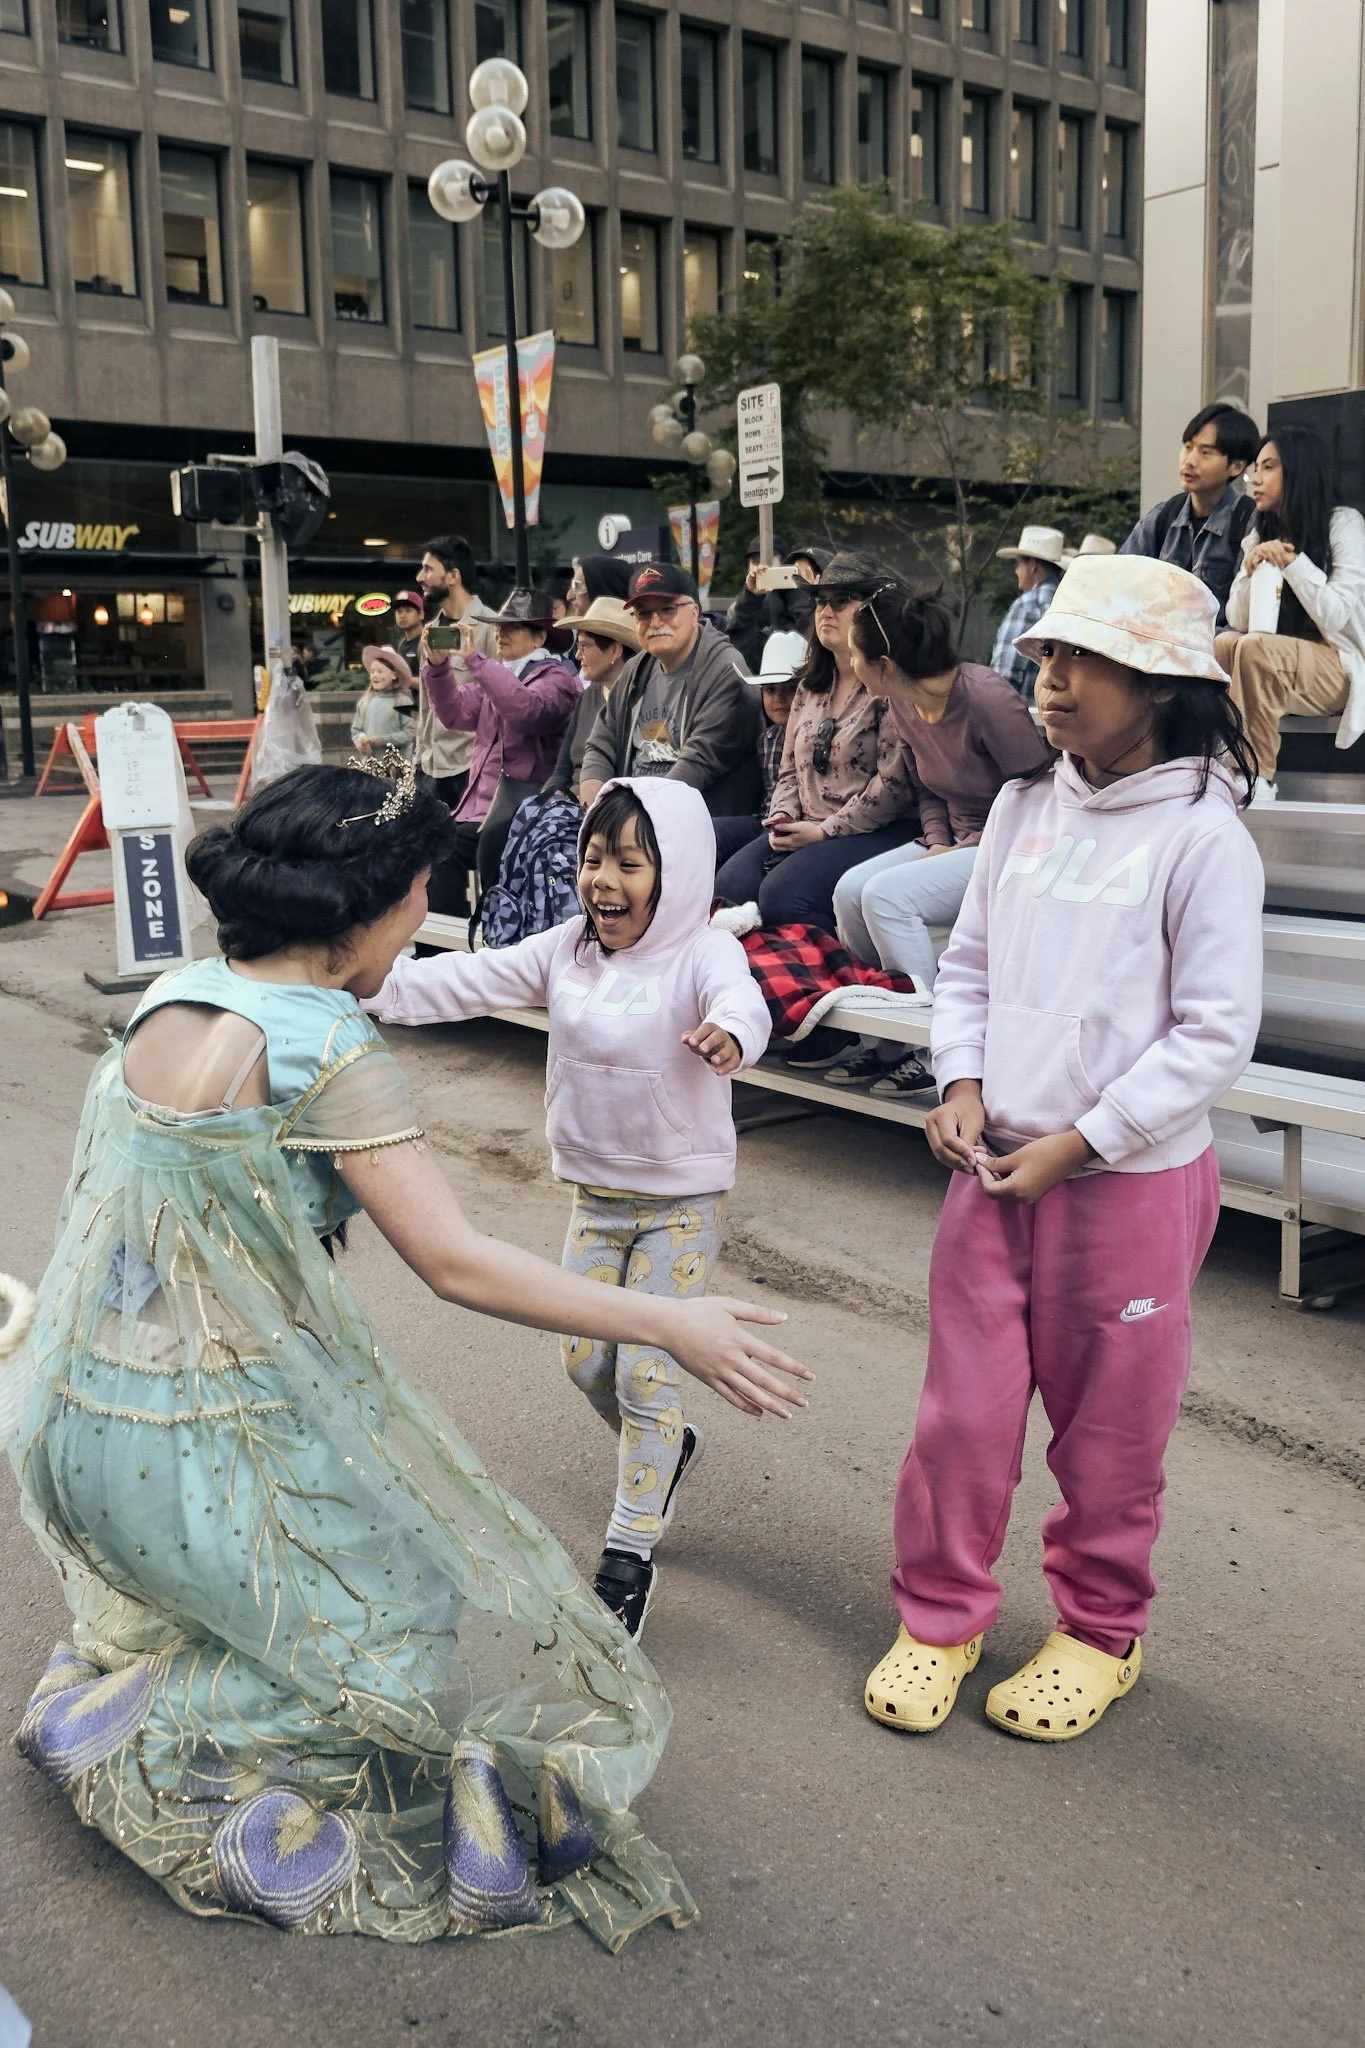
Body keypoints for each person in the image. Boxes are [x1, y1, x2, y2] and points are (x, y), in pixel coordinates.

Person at [10, 759, 809, 1947]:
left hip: (70, 1420)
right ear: (369, 907)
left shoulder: (176, 991)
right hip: (194, 1435)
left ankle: (159, 1689)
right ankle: (188, 1737)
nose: (425, 911)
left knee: (339, 1577)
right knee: (415, 1590)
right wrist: (672, 1319)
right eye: (420, 891)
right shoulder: (326, 1042)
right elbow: (458, 1262)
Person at [863, 555, 1263, 1745]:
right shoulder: (1028, 809)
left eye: (1084, 659)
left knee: (1112, 1430)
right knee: (961, 1417)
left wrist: (1082, 1142)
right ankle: (940, 1617)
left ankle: (1099, 1632)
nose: (1052, 679)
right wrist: (961, 1082)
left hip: (1128, 1184)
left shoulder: (1203, 836)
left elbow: (1214, 1035)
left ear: (1161, 682)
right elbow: (972, 967)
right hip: (994, 1170)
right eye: (1045, 654)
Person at [367, 778, 775, 1640]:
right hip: (596, 1199)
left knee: (644, 1371)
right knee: (588, 1365)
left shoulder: (703, 955)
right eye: (593, 859)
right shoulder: (567, 951)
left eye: (629, 863)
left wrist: (731, 1034)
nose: (603, 880)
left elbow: (746, 1004)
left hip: (680, 1205)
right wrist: (361, 983)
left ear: (679, 871)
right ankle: (663, 1449)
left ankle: (627, 1557)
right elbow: (462, 983)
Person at [829, 587, 1049, 1095]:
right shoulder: (903, 704)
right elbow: (926, 786)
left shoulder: (986, 697)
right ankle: (888, 1039)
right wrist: (935, 842)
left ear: (884, 664)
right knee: (848, 890)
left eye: (857, 655)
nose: (852, 663)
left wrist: (972, 846)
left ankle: (938, 1048)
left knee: (887, 896)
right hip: (955, 841)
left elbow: (1038, 797)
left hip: (1013, 846)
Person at [712, 552, 919, 1071]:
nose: (826, 611)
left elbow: (894, 784)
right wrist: (781, 819)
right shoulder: (809, 684)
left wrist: (821, 832)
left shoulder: (888, 682)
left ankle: (835, 1022)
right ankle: (768, 1003)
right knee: (731, 885)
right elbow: (788, 771)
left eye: (841, 602)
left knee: (786, 894)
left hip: (879, 829)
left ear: (872, 611)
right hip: (804, 824)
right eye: (821, 601)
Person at [1215, 423, 1365, 800]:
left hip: (1340, 665)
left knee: (1253, 649)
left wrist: (1293, 563)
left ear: (1297, 470)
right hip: (1280, 662)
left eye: (1269, 468)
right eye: (1256, 469)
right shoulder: (1259, 530)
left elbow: (1339, 616)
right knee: (1224, 644)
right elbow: (1238, 619)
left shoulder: (1343, 525)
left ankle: (1257, 775)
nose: (1256, 479)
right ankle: (1219, 763)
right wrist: (1250, 571)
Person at [420, 587, 580, 899]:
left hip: (523, 815)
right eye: (498, 627)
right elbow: (453, 714)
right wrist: (438, 667)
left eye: (513, 627)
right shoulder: (498, 675)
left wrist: (476, 661)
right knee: (424, 844)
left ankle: (442, 948)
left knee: (443, 852)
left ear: (539, 638)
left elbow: (525, 711)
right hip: (480, 813)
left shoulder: (558, 680)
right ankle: (438, 946)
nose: (500, 634)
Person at [579, 563, 762, 818]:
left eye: (667, 609)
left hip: (697, 819)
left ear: (695, 612)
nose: (654, 621)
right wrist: (592, 806)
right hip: (631, 811)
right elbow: (600, 745)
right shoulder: (637, 668)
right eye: (643, 613)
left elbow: (697, 767)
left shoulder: (724, 670)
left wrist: (626, 818)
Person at [414, 535, 499, 919]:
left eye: (429, 569)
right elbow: (425, 706)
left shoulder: (487, 626)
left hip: (471, 765)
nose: (421, 577)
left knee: (463, 860)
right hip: (432, 764)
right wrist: (418, 755)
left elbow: (501, 692)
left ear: (453, 576)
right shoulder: (430, 630)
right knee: (429, 860)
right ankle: (434, 944)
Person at [1120, 402, 1261, 623]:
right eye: (1187, 447)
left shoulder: (1249, 522)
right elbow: (1120, 581)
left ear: (1236, 466)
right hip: (1156, 645)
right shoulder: (1162, 517)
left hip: (1213, 650)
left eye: (1206, 452)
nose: (1190, 460)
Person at [544, 595, 640, 801]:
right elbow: (562, 770)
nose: (578, 655)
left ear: (614, 650)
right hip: (568, 802)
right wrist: (546, 801)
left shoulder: (638, 701)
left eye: (585, 646)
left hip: (605, 807)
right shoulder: (588, 696)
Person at [725, 538, 831, 670]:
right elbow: (739, 654)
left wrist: (806, 598)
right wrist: (750, 599)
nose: (800, 581)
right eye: (795, 574)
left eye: (808, 574)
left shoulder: (836, 626)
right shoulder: (774, 630)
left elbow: (818, 652)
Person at [989, 526, 1066, 698]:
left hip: (1025, 716)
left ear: (1032, 565)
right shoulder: (1070, 601)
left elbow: (1004, 677)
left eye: (1018, 563)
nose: (1016, 571)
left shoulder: (1027, 605)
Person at [350, 642, 415, 758]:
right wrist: (361, 743)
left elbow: (411, 732)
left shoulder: (403, 702)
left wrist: (384, 739)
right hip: (370, 766)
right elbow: (356, 731)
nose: (375, 675)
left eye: (380, 672)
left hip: (396, 764)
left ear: (394, 675)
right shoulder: (364, 702)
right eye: (372, 671)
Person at [391, 586, 425, 671]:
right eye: (399, 611)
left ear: (421, 614)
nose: (402, 615)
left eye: (408, 610)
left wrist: (404, 680)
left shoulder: (428, 642)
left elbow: (434, 680)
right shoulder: (401, 644)